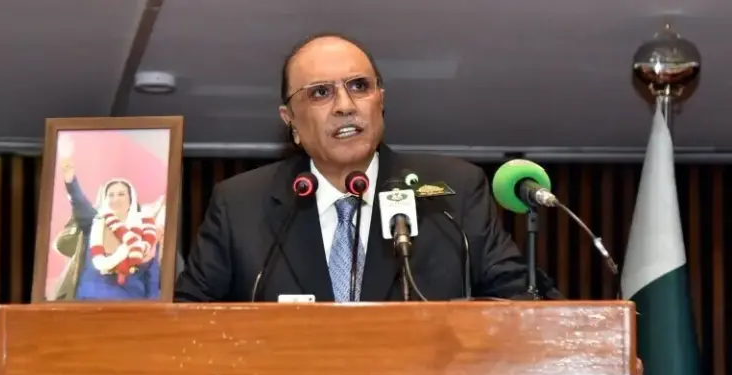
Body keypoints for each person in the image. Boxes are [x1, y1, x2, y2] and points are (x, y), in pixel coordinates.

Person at [174, 33, 562, 303]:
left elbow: (520, 299)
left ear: (381, 100)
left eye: (359, 86)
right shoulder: (240, 205)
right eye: (321, 92)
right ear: (290, 119)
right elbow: (185, 319)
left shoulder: (453, 192)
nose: (345, 105)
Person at [51, 137, 166, 300]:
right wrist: (67, 167)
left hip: (130, 308)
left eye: (121, 194)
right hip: (86, 305)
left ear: (131, 199)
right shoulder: (93, 222)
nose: (115, 199)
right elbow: (77, 198)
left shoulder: (147, 232)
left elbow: (152, 280)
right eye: (110, 195)